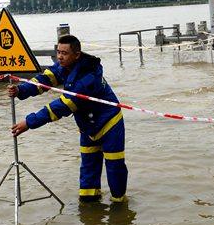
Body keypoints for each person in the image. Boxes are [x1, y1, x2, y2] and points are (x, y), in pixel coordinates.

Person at [8, 35, 127, 203]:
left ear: (77, 55)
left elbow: (63, 106)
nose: (60, 57)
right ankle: (89, 208)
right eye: (58, 52)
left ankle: (119, 207)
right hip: (87, 127)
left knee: (115, 170)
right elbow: (43, 80)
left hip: (109, 124)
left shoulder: (89, 76)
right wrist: (21, 90)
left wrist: (29, 122)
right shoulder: (63, 66)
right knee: (87, 175)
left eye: (64, 53)